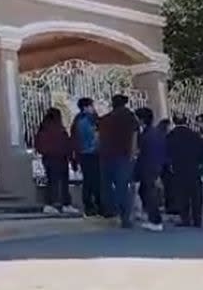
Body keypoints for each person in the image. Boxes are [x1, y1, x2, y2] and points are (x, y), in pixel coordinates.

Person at [97, 94, 139, 227]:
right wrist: (133, 154)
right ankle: (125, 217)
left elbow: (99, 138)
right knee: (123, 186)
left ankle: (111, 212)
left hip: (105, 156)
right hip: (124, 156)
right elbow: (134, 137)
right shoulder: (130, 118)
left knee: (107, 186)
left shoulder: (105, 119)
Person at [35, 108, 79, 215]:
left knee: (52, 182)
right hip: (60, 158)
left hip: (49, 158)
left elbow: (39, 144)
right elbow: (67, 144)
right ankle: (64, 204)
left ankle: (51, 204)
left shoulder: (43, 128)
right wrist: (72, 159)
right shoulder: (59, 129)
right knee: (62, 182)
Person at [167, 114, 203, 227]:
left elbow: (168, 152)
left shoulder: (171, 136)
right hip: (194, 168)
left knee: (181, 194)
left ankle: (185, 218)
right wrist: (201, 163)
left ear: (174, 122)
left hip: (179, 168)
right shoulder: (195, 135)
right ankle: (197, 219)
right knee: (196, 194)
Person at [134, 107, 166, 232]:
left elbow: (142, 153)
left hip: (148, 167)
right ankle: (153, 218)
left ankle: (155, 220)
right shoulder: (156, 133)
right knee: (146, 191)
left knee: (148, 192)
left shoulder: (146, 135)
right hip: (154, 166)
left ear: (142, 119)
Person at [70, 97, 101, 216]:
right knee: (92, 181)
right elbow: (92, 136)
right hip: (89, 153)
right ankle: (92, 205)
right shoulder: (85, 121)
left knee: (90, 180)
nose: (93, 108)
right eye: (91, 106)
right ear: (86, 107)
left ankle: (92, 205)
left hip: (86, 153)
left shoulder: (80, 120)